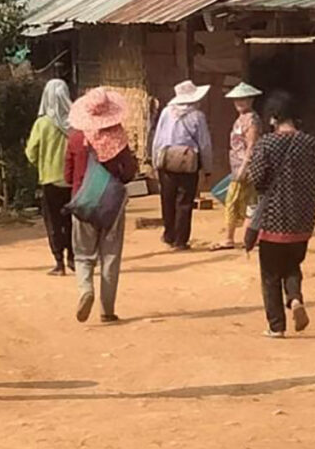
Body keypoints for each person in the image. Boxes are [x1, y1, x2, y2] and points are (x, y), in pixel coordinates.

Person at [246, 90, 315, 338]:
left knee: (270, 274)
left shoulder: (266, 144)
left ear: (273, 118)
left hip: (272, 219)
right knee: (292, 265)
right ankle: (294, 299)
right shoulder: (310, 143)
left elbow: (257, 179)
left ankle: (276, 326)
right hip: (302, 220)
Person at [65, 88, 139, 324]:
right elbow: (128, 173)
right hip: (112, 206)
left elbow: (67, 175)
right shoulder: (119, 138)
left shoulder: (76, 138)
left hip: (83, 202)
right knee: (110, 256)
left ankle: (86, 289)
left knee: (84, 255)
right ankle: (107, 310)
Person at [151, 79, 213, 251]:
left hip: (166, 160)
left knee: (167, 198)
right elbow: (205, 144)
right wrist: (207, 169)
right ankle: (181, 240)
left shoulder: (166, 112)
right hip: (188, 162)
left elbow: (158, 139)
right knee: (184, 201)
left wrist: (155, 161)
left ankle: (169, 234)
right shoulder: (198, 116)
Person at [26, 78, 75, 276]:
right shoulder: (75, 123)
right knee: (72, 220)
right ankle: (73, 257)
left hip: (50, 180)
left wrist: (41, 162)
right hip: (72, 181)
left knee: (53, 222)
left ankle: (59, 263)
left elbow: (31, 152)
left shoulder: (42, 124)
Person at [212, 82, 263, 251]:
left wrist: (244, 166)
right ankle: (248, 238)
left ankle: (230, 238)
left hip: (245, 167)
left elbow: (252, 145)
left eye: (243, 99)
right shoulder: (242, 119)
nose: (239, 103)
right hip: (239, 166)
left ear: (250, 100)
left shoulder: (252, 120)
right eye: (237, 100)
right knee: (249, 202)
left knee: (233, 201)